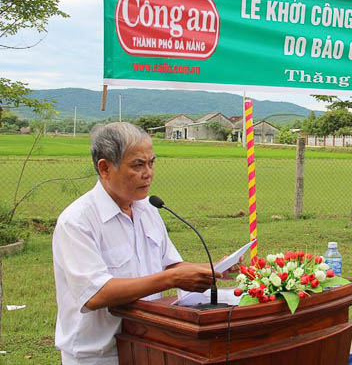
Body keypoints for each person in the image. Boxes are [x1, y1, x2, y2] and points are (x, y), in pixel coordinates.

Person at [53, 122, 229, 364]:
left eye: (151, 163)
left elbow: (170, 265)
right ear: (105, 168)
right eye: (138, 165)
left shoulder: (148, 208)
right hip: (99, 355)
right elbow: (96, 294)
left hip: (147, 343)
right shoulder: (77, 221)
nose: (148, 173)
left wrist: (213, 269)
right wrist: (172, 279)